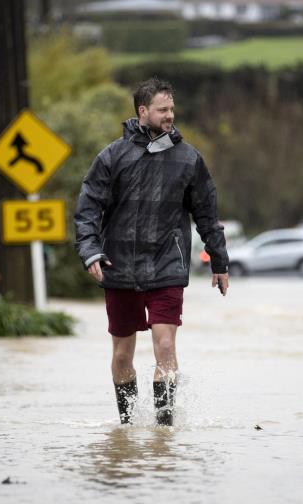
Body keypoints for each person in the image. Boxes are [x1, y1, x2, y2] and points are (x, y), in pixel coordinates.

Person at [74, 78, 229, 426]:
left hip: (167, 264)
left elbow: (207, 214)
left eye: (172, 109)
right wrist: (91, 252)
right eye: (163, 110)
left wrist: (219, 261)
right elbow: (87, 211)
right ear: (143, 112)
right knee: (122, 354)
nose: (170, 116)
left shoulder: (189, 159)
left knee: (165, 347)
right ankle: (128, 426)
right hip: (119, 266)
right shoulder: (112, 157)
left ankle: (163, 428)